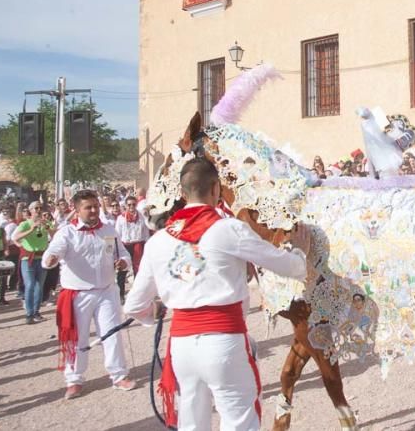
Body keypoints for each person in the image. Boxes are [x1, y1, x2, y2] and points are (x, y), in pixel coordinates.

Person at [123, 158, 313, 431]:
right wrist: (299, 250)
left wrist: (158, 309)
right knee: (239, 419)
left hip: (182, 346)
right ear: (216, 189)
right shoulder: (228, 230)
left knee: (192, 421)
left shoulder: (158, 241)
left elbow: (134, 305)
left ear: (182, 192)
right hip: (224, 340)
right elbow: (289, 267)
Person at [42, 189, 135, 398]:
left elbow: (122, 253)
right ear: (76, 210)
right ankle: (74, 379)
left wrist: (123, 262)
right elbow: (52, 252)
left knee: (112, 333)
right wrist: (51, 259)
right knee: (77, 337)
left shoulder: (108, 230)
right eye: (88, 207)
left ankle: (118, 375)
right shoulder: (67, 233)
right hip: (78, 294)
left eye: (95, 206)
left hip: (107, 291)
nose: (93, 210)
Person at [13, 202, 50, 323]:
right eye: (36, 208)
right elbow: (16, 237)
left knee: (40, 286)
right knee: (30, 285)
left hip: (42, 257)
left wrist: (49, 228)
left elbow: (55, 235)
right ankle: (29, 314)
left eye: (40, 208)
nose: (38, 210)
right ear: (30, 210)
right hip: (28, 258)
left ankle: (36, 311)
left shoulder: (45, 222)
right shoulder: (25, 224)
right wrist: (31, 229)